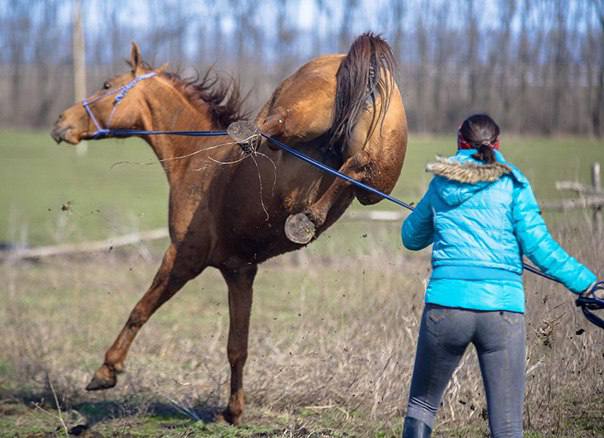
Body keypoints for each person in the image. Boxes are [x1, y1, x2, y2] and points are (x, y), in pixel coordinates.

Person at [400, 114, 599, 438]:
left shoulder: (441, 183)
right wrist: (586, 282)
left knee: (422, 407)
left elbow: (410, 237)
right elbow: (540, 247)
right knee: (507, 424)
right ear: (498, 144)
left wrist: (429, 214)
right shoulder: (513, 184)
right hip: (503, 312)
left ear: (459, 142)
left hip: (446, 308)